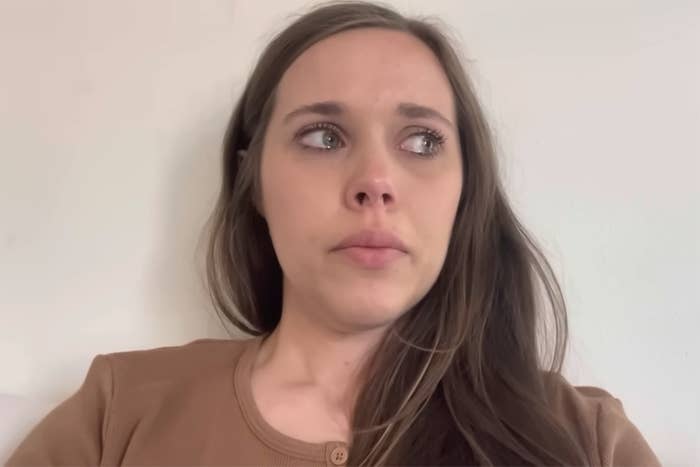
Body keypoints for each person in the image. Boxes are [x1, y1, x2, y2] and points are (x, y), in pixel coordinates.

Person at [5, 1, 661, 466]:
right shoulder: (117, 414)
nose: (376, 180)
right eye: (323, 136)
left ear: (467, 190)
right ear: (253, 180)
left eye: (422, 140)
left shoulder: (584, 440)